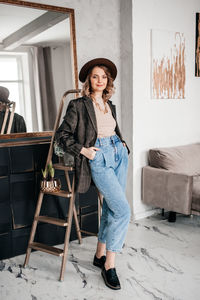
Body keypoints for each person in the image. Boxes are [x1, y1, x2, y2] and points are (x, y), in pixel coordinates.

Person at [55, 58, 130, 290]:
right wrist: (84, 151)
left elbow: (112, 130)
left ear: (108, 81)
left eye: (104, 77)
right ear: (89, 79)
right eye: (96, 76)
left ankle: (99, 255)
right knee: (123, 210)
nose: (100, 80)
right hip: (99, 156)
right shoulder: (78, 105)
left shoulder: (110, 104)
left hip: (119, 153)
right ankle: (110, 265)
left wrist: (124, 144)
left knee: (110, 207)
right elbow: (62, 135)